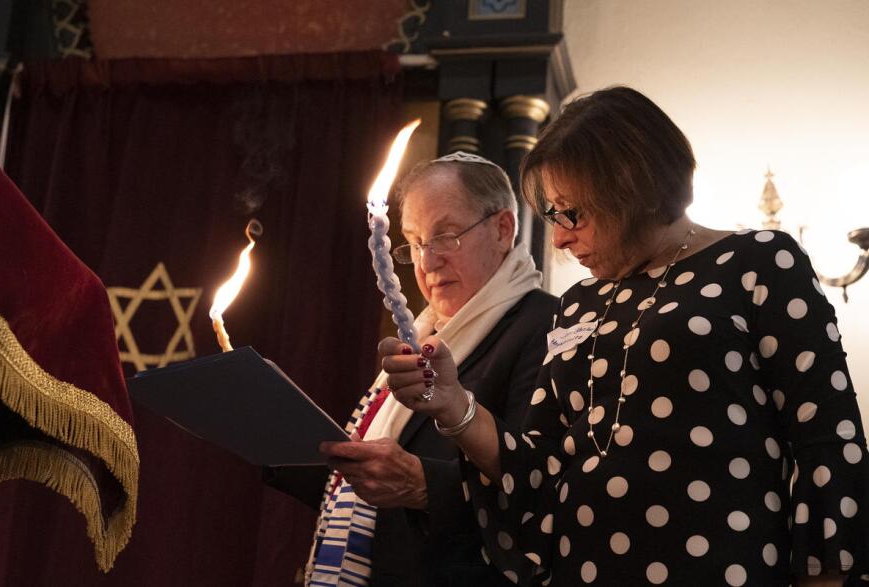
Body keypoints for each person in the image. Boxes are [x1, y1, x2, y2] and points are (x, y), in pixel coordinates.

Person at [380, 87, 869, 586]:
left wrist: (825, 577)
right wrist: (454, 403)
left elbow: (827, 440)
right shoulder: (577, 303)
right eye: (552, 217)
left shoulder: (758, 261)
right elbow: (537, 470)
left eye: (571, 214)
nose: (559, 238)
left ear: (635, 188)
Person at [264, 151, 557, 586]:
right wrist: (267, 429)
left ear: (502, 229)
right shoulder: (423, 336)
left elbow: (543, 489)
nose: (427, 261)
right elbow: (362, 491)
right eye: (415, 242)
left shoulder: (546, 327)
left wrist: (425, 486)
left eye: (446, 236)